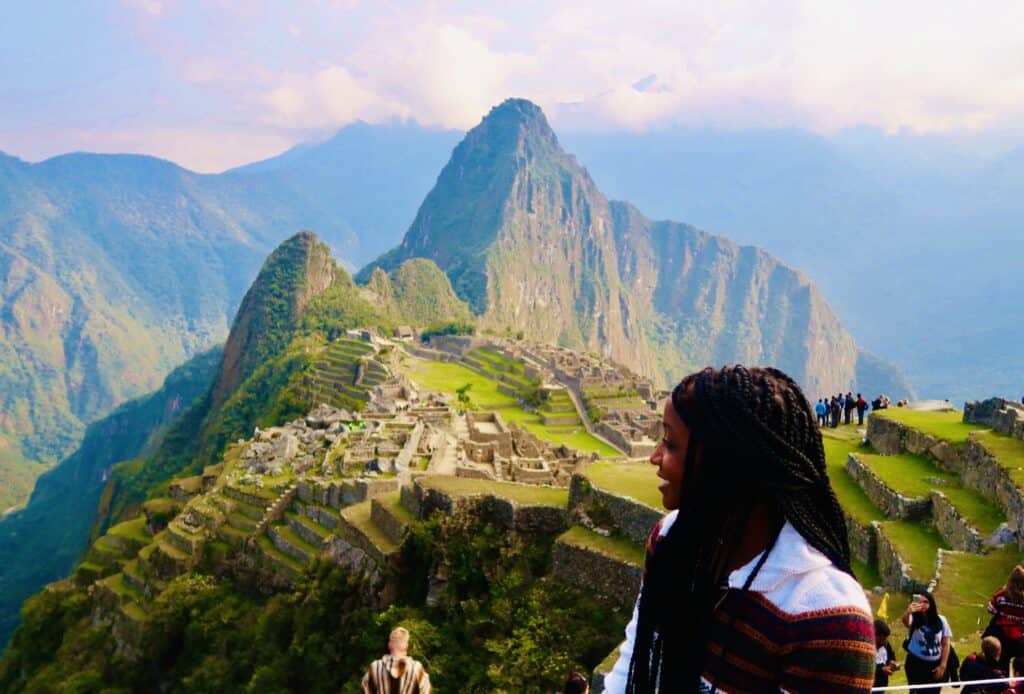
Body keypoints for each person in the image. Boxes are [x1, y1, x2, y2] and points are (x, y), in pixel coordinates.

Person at [604, 365, 875, 692]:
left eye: (671, 444)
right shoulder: (672, 540)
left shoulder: (825, 617)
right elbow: (636, 656)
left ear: (725, 463)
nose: (655, 457)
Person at [902, 591, 953, 693]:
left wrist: (942, 666)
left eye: (926, 602)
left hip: (935, 664)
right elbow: (906, 622)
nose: (923, 604)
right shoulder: (915, 618)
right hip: (916, 663)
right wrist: (908, 612)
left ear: (931, 604)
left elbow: (946, 643)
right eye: (919, 602)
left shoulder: (941, 620)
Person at [361, 627, 431, 694]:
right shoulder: (417, 669)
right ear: (407, 646)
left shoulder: (375, 667)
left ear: (389, 645)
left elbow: (365, 689)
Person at [985, 565, 1024, 670]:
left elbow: (991, 609)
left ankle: (1002, 680)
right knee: (1020, 664)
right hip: (1020, 637)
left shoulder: (1002, 595)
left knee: (1002, 663)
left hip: (1002, 634)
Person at [875, 619, 900, 687]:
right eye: (881, 638)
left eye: (885, 638)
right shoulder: (865, 647)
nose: (883, 641)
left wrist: (892, 663)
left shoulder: (886, 644)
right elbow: (862, 667)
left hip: (882, 685)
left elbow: (891, 656)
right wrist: (881, 670)